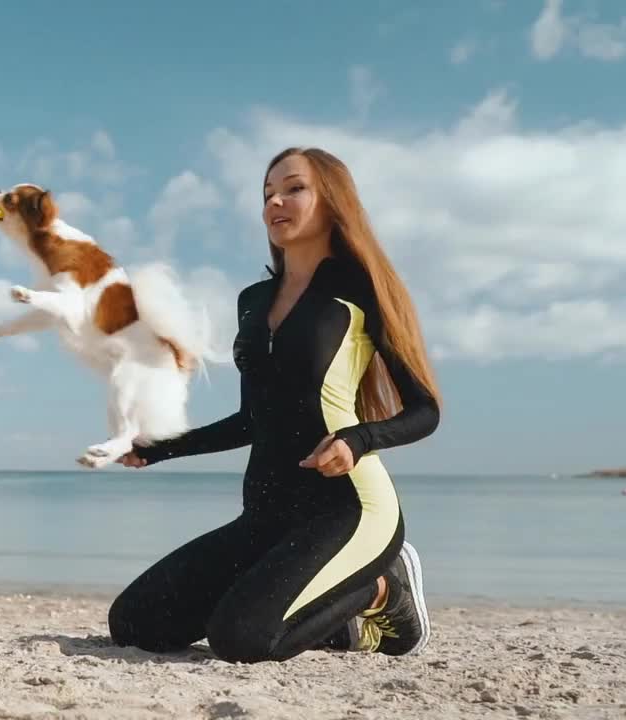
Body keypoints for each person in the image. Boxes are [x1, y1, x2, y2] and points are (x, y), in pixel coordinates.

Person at [107, 146, 442, 664]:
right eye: (267, 194)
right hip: (265, 516)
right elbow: (252, 420)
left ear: (332, 201)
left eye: (293, 189)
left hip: (348, 509)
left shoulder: (361, 291)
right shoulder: (252, 301)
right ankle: (327, 616)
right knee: (134, 623)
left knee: (241, 639)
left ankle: (384, 589)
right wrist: (160, 448)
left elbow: (425, 411)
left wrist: (359, 440)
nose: (275, 202)